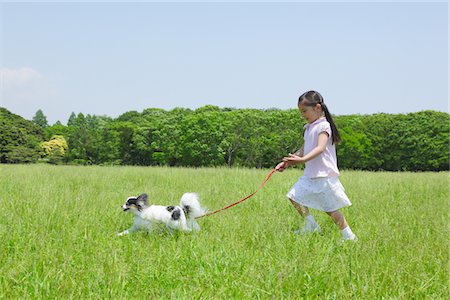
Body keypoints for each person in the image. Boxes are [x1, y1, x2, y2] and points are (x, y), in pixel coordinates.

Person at [276, 90, 357, 241]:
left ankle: (348, 235)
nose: (303, 115)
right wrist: (287, 162)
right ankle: (310, 224)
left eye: (305, 111)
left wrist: (301, 160)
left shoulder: (324, 126)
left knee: (330, 209)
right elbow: (304, 149)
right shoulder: (308, 128)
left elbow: (320, 148)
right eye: (301, 112)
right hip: (311, 174)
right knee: (294, 196)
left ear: (318, 108)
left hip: (323, 174)